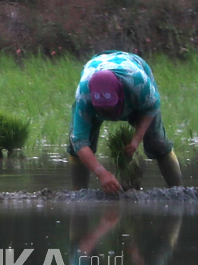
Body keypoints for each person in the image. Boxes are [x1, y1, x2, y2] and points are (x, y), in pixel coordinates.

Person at [67, 50, 182, 193]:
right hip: (96, 67)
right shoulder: (84, 95)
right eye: (102, 110)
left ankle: (178, 191)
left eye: (109, 108)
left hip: (132, 66)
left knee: (157, 142)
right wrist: (101, 173)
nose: (106, 114)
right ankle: (79, 195)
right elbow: (79, 141)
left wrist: (137, 139)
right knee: (75, 150)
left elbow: (151, 108)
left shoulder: (138, 84)